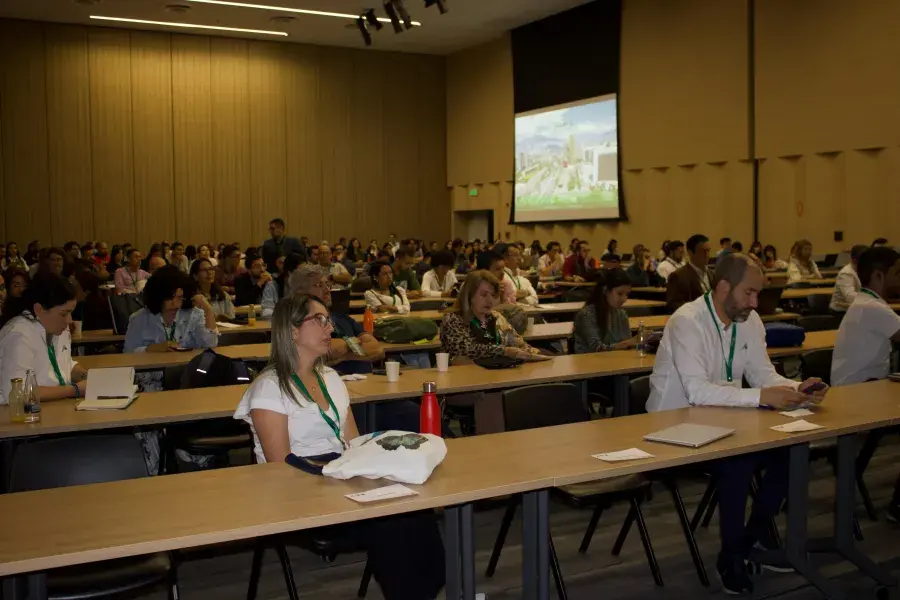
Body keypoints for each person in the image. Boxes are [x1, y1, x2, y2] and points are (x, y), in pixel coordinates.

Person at [233, 294, 445, 599]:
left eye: (328, 320)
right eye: (319, 320)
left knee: (414, 509)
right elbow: (281, 467)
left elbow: (353, 444)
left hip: (340, 478)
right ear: (293, 331)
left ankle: (429, 590)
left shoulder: (331, 377)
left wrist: (373, 470)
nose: (330, 327)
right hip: (297, 493)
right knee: (391, 524)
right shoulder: (269, 388)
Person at [647, 254, 827, 593]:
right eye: (749, 293)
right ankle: (731, 557)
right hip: (673, 427)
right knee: (739, 462)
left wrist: (796, 388)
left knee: (793, 453)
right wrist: (761, 396)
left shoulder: (749, 319)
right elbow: (697, 392)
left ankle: (750, 539)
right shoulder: (687, 321)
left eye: (758, 293)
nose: (755, 303)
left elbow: (762, 375)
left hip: (725, 420)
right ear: (723, 288)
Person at [829, 247, 900, 521]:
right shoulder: (872, 307)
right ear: (879, 275)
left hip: (865, 389)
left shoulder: (868, 303)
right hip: (857, 397)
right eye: (897, 273)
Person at [0, 273, 88, 403]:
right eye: (64, 313)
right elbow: (18, 392)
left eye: (71, 312)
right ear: (39, 309)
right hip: (14, 413)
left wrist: (88, 376)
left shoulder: (59, 329)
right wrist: (74, 390)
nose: (69, 320)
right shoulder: (18, 335)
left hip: (53, 407)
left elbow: (64, 366)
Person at [439, 270, 546, 363]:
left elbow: (517, 342)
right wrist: (504, 351)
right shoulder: (453, 319)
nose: (490, 300)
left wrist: (531, 352)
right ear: (469, 296)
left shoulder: (496, 317)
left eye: (493, 295)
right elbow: (467, 350)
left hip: (499, 374)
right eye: (484, 294)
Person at [124, 265, 219, 354]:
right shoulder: (139, 318)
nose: (175, 304)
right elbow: (128, 352)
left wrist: (208, 309)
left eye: (179, 297)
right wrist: (149, 349)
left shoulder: (194, 314)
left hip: (187, 365)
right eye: (169, 298)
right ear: (158, 297)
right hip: (153, 366)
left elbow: (210, 344)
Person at [573, 269, 639, 353]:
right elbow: (596, 348)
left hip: (616, 359)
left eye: (627, 294)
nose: (624, 299)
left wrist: (641, 341)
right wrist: (626, 343)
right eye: (619, 294)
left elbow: (628, 344)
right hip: (588, 360)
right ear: (605, 290)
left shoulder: (622, 314)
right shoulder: (587, 314)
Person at [666, 235, 712, 313]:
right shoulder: (678, 276)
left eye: (708, 251)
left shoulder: (712, 274)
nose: (707, 255)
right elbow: (673, 306)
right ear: (690, 253)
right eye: (703, 251)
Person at [829, 244, 868, 313]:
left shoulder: (864, 271)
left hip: (857, 309)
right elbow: (850, 297)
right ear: (855, 261)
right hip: (840, 312)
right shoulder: (846, 273)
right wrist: (870, 299)